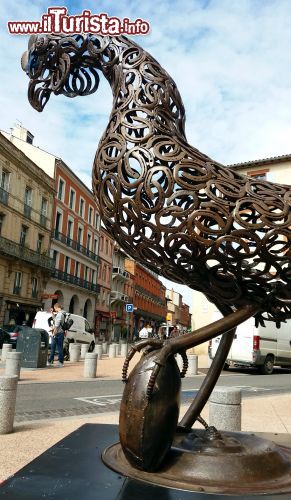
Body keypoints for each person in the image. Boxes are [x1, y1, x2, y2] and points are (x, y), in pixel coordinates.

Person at [47, 303, 66, 367]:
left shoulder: (60, 314)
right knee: (53, 347)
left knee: (59, 348)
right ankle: (50, 360)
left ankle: (61, 362)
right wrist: (52, 313)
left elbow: (56, 326)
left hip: (58, 334)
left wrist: (53, 334)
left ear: (57, 307)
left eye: (55, 309)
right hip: (59, 333)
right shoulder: (61, 314)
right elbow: (55, 320)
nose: (55, 310)